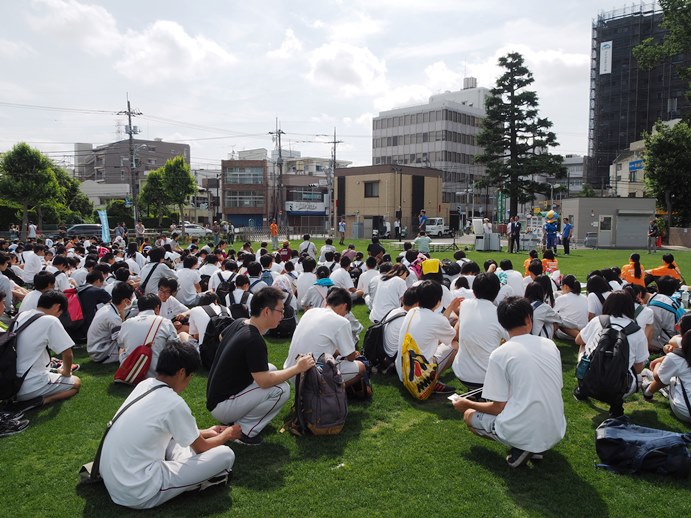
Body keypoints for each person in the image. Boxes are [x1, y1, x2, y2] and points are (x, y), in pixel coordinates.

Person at [100, 342, 240, 510]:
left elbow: (159, 429)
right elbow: (202, 447)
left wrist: (205, 432)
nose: (188, 382)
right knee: (226, 455)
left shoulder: (144, 385)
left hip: (115, 478)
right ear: (181, 373)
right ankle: (198, 481)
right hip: (138, 490)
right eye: (190, 376)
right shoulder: (173, 403)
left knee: (179, 442)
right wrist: (227, 434)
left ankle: (194, 473)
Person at [452, 296, 566, 468]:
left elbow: (497, 407)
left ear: (502, 322)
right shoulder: (550, 345)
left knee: (469, 416)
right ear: (529, 319)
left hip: (525, 428)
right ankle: (534, 445)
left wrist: (466, 404)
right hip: (556, 428)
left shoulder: (500, 354)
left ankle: (523, 446)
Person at [206, 287, 315, 445]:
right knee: (281, 389)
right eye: (280, 311)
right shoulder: (253, 339)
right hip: (222, 405)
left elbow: (222, 337)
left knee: (271, 368)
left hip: (217, 396)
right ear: (266, 312)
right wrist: (298, 368)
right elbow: (264, 381)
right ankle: (244, 432)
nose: (283, 315)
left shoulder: (240, 322)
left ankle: (237, 418)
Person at [575, 291, 649, 417]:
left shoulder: (598, 320)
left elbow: (578, 340)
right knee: (636, 367)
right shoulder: (637, 331)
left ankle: (582, 387)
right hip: (620, 385)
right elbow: (638, 368)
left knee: (583, 344)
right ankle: (616, 402)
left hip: (589, 376)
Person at [285, 287, 365, 386]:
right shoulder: (342, 321)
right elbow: (351, 357)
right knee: (361, 367)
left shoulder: (310, 312)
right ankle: (329, 392)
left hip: (291, 371)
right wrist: (352, 353)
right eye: (346, 312)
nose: (345, 315)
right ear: (344, 306)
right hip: (311, 377)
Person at [14, 290, 81, 407]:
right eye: (61, 313)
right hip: (29, 386)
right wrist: (66, 373)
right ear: (57, 307)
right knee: (76, 382)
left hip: (10, 384)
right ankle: (44, 400)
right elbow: (67, 354)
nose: (59, 316)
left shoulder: (21, 315)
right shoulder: (50, 320)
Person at [395, 280, 459, 394]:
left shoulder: (412, 311)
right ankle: (432, 382)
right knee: (455, 346)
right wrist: (462, 316)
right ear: (439, 301)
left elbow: (439, 323)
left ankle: (431, 379)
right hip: (418, 380)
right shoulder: (436, 319)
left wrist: (450, 308)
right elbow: (454, 336)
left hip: (403, 372)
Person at [452, 273, 508, 390]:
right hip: (487, 379)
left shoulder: (465, 304)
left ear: (474, 290)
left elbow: (456, 334)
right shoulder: (500, 314)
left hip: (461, 373)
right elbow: (514, 340)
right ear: (497, 292)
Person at [118, 293, 179, 380]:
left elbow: (120, 344)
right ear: (157, 308)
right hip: (157, 373)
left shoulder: (127, 323)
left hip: (131, 372)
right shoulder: (165, 322)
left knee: (122, 349)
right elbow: (175, 347)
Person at [87, 282, 134, 363]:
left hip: (96, 349)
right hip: (102, 354)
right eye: (131, 299)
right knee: (133, 349)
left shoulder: (106, 308)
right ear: (125, 300)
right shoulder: (113, 317)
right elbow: (121, 341)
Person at [648, 275, 683, 352]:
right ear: (674, 290)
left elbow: (653, 334)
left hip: (670, 342)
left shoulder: (655, 305)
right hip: (679, 337)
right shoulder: (674, 301)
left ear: (657, 287)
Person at [554, 275, 588, 339]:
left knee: (557, 320)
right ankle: (581, 337)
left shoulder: (562, 298)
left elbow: (552, 314)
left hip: (568, 333)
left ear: (565, 286)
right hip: (584, 329)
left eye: (561, 286)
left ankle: (581, 338)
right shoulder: (585, 297)